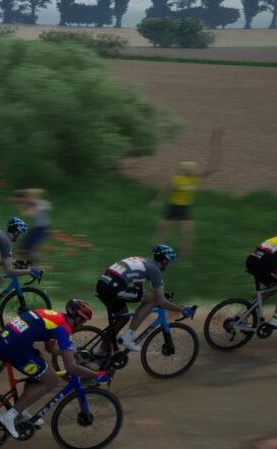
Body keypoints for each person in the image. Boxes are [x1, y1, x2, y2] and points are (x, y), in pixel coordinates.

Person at [0, 300, 106, 439]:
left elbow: (50, 348)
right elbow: (71, 368)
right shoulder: (64, 329)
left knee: (41, 366)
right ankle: (9, 416)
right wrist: (97, 374)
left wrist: (71, 352)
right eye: (83, 322)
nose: (82, 325)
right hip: (14, 347)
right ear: (77, 318)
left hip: (5, 339)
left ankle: (20, 411)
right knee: (52, 380)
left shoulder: (55, 316)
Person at [94, 244, 195, 352]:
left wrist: (148, 297)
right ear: (164, 260)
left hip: (103, 284)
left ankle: (103, 351)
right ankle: (127, 337)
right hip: (114, 288)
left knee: (123, 317)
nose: (168, 265)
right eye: (169, 262)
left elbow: (138, 287)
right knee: (154, 299)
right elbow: (161, 302)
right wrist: (183, 309)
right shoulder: (155, 270)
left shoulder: (143, 262)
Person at [152, 126, 224, 258]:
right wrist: (158, 200)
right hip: (173, 207)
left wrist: (216, 149)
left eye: (192, 169)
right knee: (162, 229)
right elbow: (166, 190)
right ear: (184, 170)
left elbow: (213, 169)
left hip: (185, 209)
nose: (191, 171)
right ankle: (156, 252)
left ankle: (185, 256)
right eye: (188, 169)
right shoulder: (177, 179)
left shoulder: (195, 179)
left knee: (187, 233)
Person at [13, 189, 51, 266]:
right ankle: (34, 265)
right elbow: (26, 214)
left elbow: (27, 213)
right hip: (37, 228)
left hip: (42, 229)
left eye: (29, 196)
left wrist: (21, 204)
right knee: (23, 249)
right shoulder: (36, 203)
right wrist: (22, 204)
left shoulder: (41, 203)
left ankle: (38, 266)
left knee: (28, 250)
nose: (28, 198)